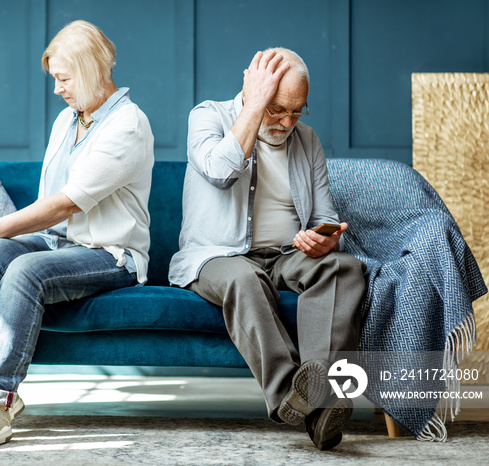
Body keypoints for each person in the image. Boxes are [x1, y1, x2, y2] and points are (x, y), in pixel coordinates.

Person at [0, 20, 154, 452]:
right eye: (55, 80)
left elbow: (65, 202)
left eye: (64, 78)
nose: (58, 89)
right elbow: (51, 208)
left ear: (91, 69)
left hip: (109, 254)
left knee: (24, 271)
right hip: (56, 244)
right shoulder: (66, 120)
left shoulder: (128, 125)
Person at [168, 48, 366, 451]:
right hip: (216, 256)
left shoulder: (306, 139)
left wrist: (323, 239)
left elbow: (325, 216)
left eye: (297, 111)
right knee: (245, 277)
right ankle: (295, 398)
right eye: (277, 109)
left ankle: (313, 391)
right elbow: (221, 172)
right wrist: (254, 107)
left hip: (286, 255)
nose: (287, 122)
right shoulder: (207, 117)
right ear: (252, 87)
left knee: (345, 268)